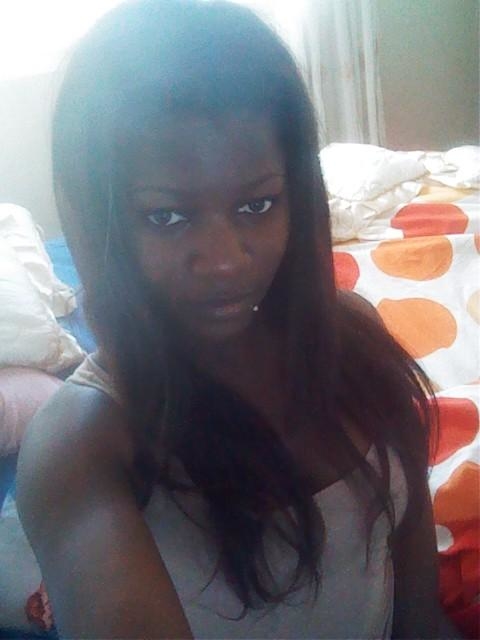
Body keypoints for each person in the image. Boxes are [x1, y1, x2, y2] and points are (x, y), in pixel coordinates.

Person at [16, 1, 459, 638]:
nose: (225, 261)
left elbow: (418, 614)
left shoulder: (352, 341)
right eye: (167, 216)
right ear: (101, 221)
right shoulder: (81, 445)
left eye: (257, 204)